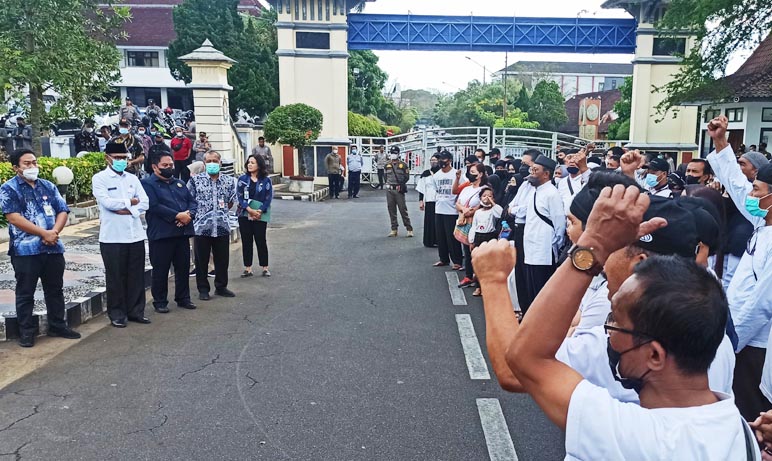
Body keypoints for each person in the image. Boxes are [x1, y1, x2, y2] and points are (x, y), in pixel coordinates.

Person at [473, 187, 756, 460]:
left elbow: (522, 362)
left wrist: (495, 280)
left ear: (655, 355)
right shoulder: (737, 427)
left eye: (613, 322)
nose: (607, 331)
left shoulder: (640, 439)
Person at [706, 115, 772, 421]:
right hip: (739, 335)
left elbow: (762, 304)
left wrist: (731, 343)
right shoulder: (763, 221)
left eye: (758, 190)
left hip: (755, 344)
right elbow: (735, 184)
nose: (752, 195)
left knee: (751, 416)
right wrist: (721, 142)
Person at [0, 149, 81, 347]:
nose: (32, 167)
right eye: (27, 163)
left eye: (34, 162)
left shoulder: (48, 186)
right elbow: (13, 217)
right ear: (16, 167)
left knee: (55, 289)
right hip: (26, 251)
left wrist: (53, 232)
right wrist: (43, 233)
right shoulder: (9, 188)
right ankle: (27, 332)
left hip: (52, 248)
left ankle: (57, 325)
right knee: (25, 292)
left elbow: (62, 210)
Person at [92, 142, 150, 327]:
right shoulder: (100, 178)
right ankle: (117, 314)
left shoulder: (132, 178)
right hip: (112, 237)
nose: (121, 161)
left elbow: (145, 202)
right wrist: (131, 202)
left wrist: (128, 208)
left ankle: (136, 311)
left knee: (136, 276)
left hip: (135, 235)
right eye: (117, 158)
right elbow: (108, 203)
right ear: (107, 158)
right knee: (116, 277)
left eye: (123, 157)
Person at [141, 153, 198, 313]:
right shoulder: (147, 184)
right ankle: (160, 301)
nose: (169, 168)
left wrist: (189, 215)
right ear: (154, 167)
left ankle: (183, 298)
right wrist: (177, 216)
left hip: (181, 233)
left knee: (183, 267)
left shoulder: (179, 183)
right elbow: (154, 206)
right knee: (160, 270)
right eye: (165, 165)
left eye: (171, 165)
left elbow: (192, 202)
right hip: (161, 235)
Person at [188, 151, 236, 300]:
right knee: (201, 260)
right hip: (202, 228)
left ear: (220, 163)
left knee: (222, 259)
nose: (212, 163)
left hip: (222, 226)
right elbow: (189, 200)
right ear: (204, 163)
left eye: (215, 160)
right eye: (209, 161)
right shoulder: (196, 181)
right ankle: (203, 289)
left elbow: (230, 201)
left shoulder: (229, 181)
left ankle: (221, 287)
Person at [521, 154, 565, 313]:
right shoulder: (535, 191)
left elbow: (559, 224)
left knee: (542, 293)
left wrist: (553, 245)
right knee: (532, 291)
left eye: (535, 170)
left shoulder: (552, 193)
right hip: (531, 249)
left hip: (544, 251)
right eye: (532, 169)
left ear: (546, 173)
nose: (531, 172)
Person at [237, 155, 273, 278]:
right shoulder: (242, 179)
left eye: (253, 162)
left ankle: (265, 267)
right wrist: (249, 210)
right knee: (246, 241)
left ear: (259, 165)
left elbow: (268, 197)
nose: (250, 165)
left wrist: (259, 211)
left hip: (260, 215)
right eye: (248, 162)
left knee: (260, 240)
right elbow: (240, 196)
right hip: (244, 214)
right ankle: (248, 268)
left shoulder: (266, 180)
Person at [456, 163, 487, 288]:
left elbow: (483, 204)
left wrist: (471, 211)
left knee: (476, 249)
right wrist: (464, 210)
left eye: (473, 172)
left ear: (480, 174)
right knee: (467, 250)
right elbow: (457, 203)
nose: (470, 174)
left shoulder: (484, 189)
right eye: (469, 171)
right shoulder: (466, 188)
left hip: (478, 223)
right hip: (465, 220)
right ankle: (469, 275)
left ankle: (479, 277)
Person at [433, 150, 464, 268]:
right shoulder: (436, 175)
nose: (441, 162)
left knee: (452, 237)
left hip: (452, 210)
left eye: (444, 159)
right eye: (440, 159)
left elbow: (464, 188)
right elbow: (436, 190)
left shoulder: (457, 174)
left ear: (450, 161)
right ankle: (443, 259)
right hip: (439, 209)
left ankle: (457, 261)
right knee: (440, 236)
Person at [468, 187, 501, 296]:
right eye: (484, 196)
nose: (487, 198)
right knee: (479, 263)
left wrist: (492, 203)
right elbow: (474, 226)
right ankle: (478, 286)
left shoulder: (493, 211)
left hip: (490, 237)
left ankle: (488, 286)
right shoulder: (478, 212)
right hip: (479, 237)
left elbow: (500, 214)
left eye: (490, 196)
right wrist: (471, 240)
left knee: (490, 264)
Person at [384, 146, 413, 237]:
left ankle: (409, 229)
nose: (393, 155)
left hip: (399, 190)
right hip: (389, 190)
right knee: (391, 210)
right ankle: (394, 229)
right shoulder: (387, 165)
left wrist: (401, 184)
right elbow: (385, 177)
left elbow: (406, 177)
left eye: (395, 153)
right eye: (392, 153)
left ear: (398, 154)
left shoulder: (403, 165)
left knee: (403, 209)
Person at [557, 147, 591, 214]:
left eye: (575, 158)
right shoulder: (561, 182)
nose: (572, 161)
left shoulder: (587, 179)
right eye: (569, 158)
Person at [417, 154, 440, 248]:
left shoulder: (442, 173)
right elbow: (422, 188)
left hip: (439, 200)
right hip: (429, 199)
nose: (433, 162)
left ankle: (439, 240)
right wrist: (421, 201)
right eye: (431, 160)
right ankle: (429, 241)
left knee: (438, 221)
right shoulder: (425, 173)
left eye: (435, 160)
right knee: (429, 220)